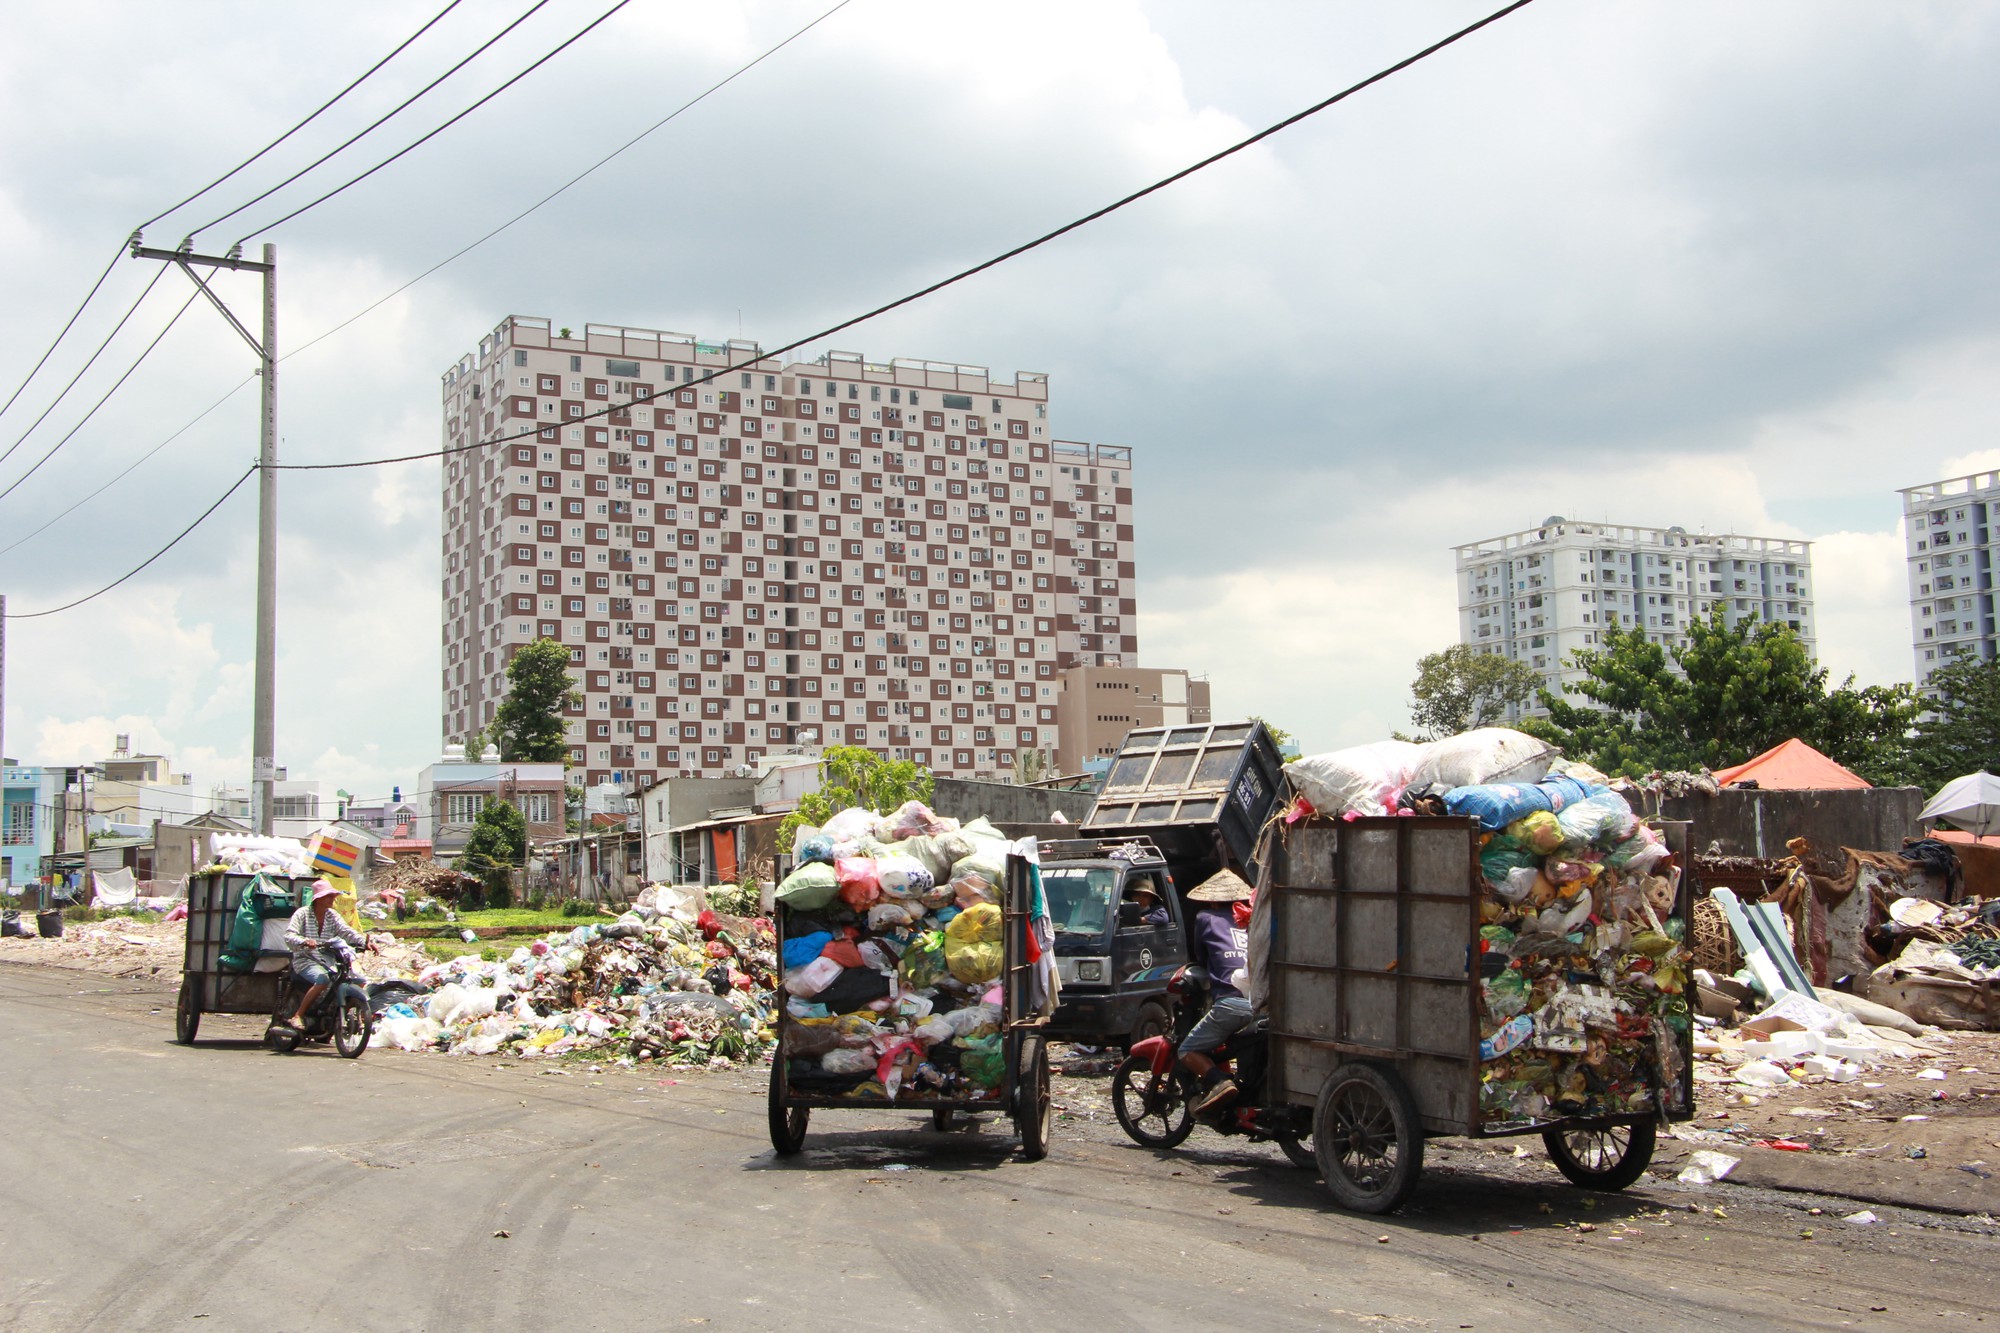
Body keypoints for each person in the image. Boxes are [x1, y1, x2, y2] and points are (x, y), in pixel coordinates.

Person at [1177, 868, 1255, 1117]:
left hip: (1230, 1004)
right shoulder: (1252, 918)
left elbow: (1200, 956)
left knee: (1186, 1050)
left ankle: (1220, 1082)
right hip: (1262, 1003)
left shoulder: (1206, 918)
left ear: (1211, 899)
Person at [280, 878, 372, 1030]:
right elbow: (289, 936)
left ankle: (338, 1015)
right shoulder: (302, 914)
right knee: (322, 979)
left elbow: (346, 931)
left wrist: (364, 942)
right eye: (329, 896)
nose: (332, 900)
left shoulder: (332, 915)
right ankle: (298, 1016)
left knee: (358, 980)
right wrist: (304, 941)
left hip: (327, 960)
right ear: (318, 899)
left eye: (333, 896)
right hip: (305, 959)